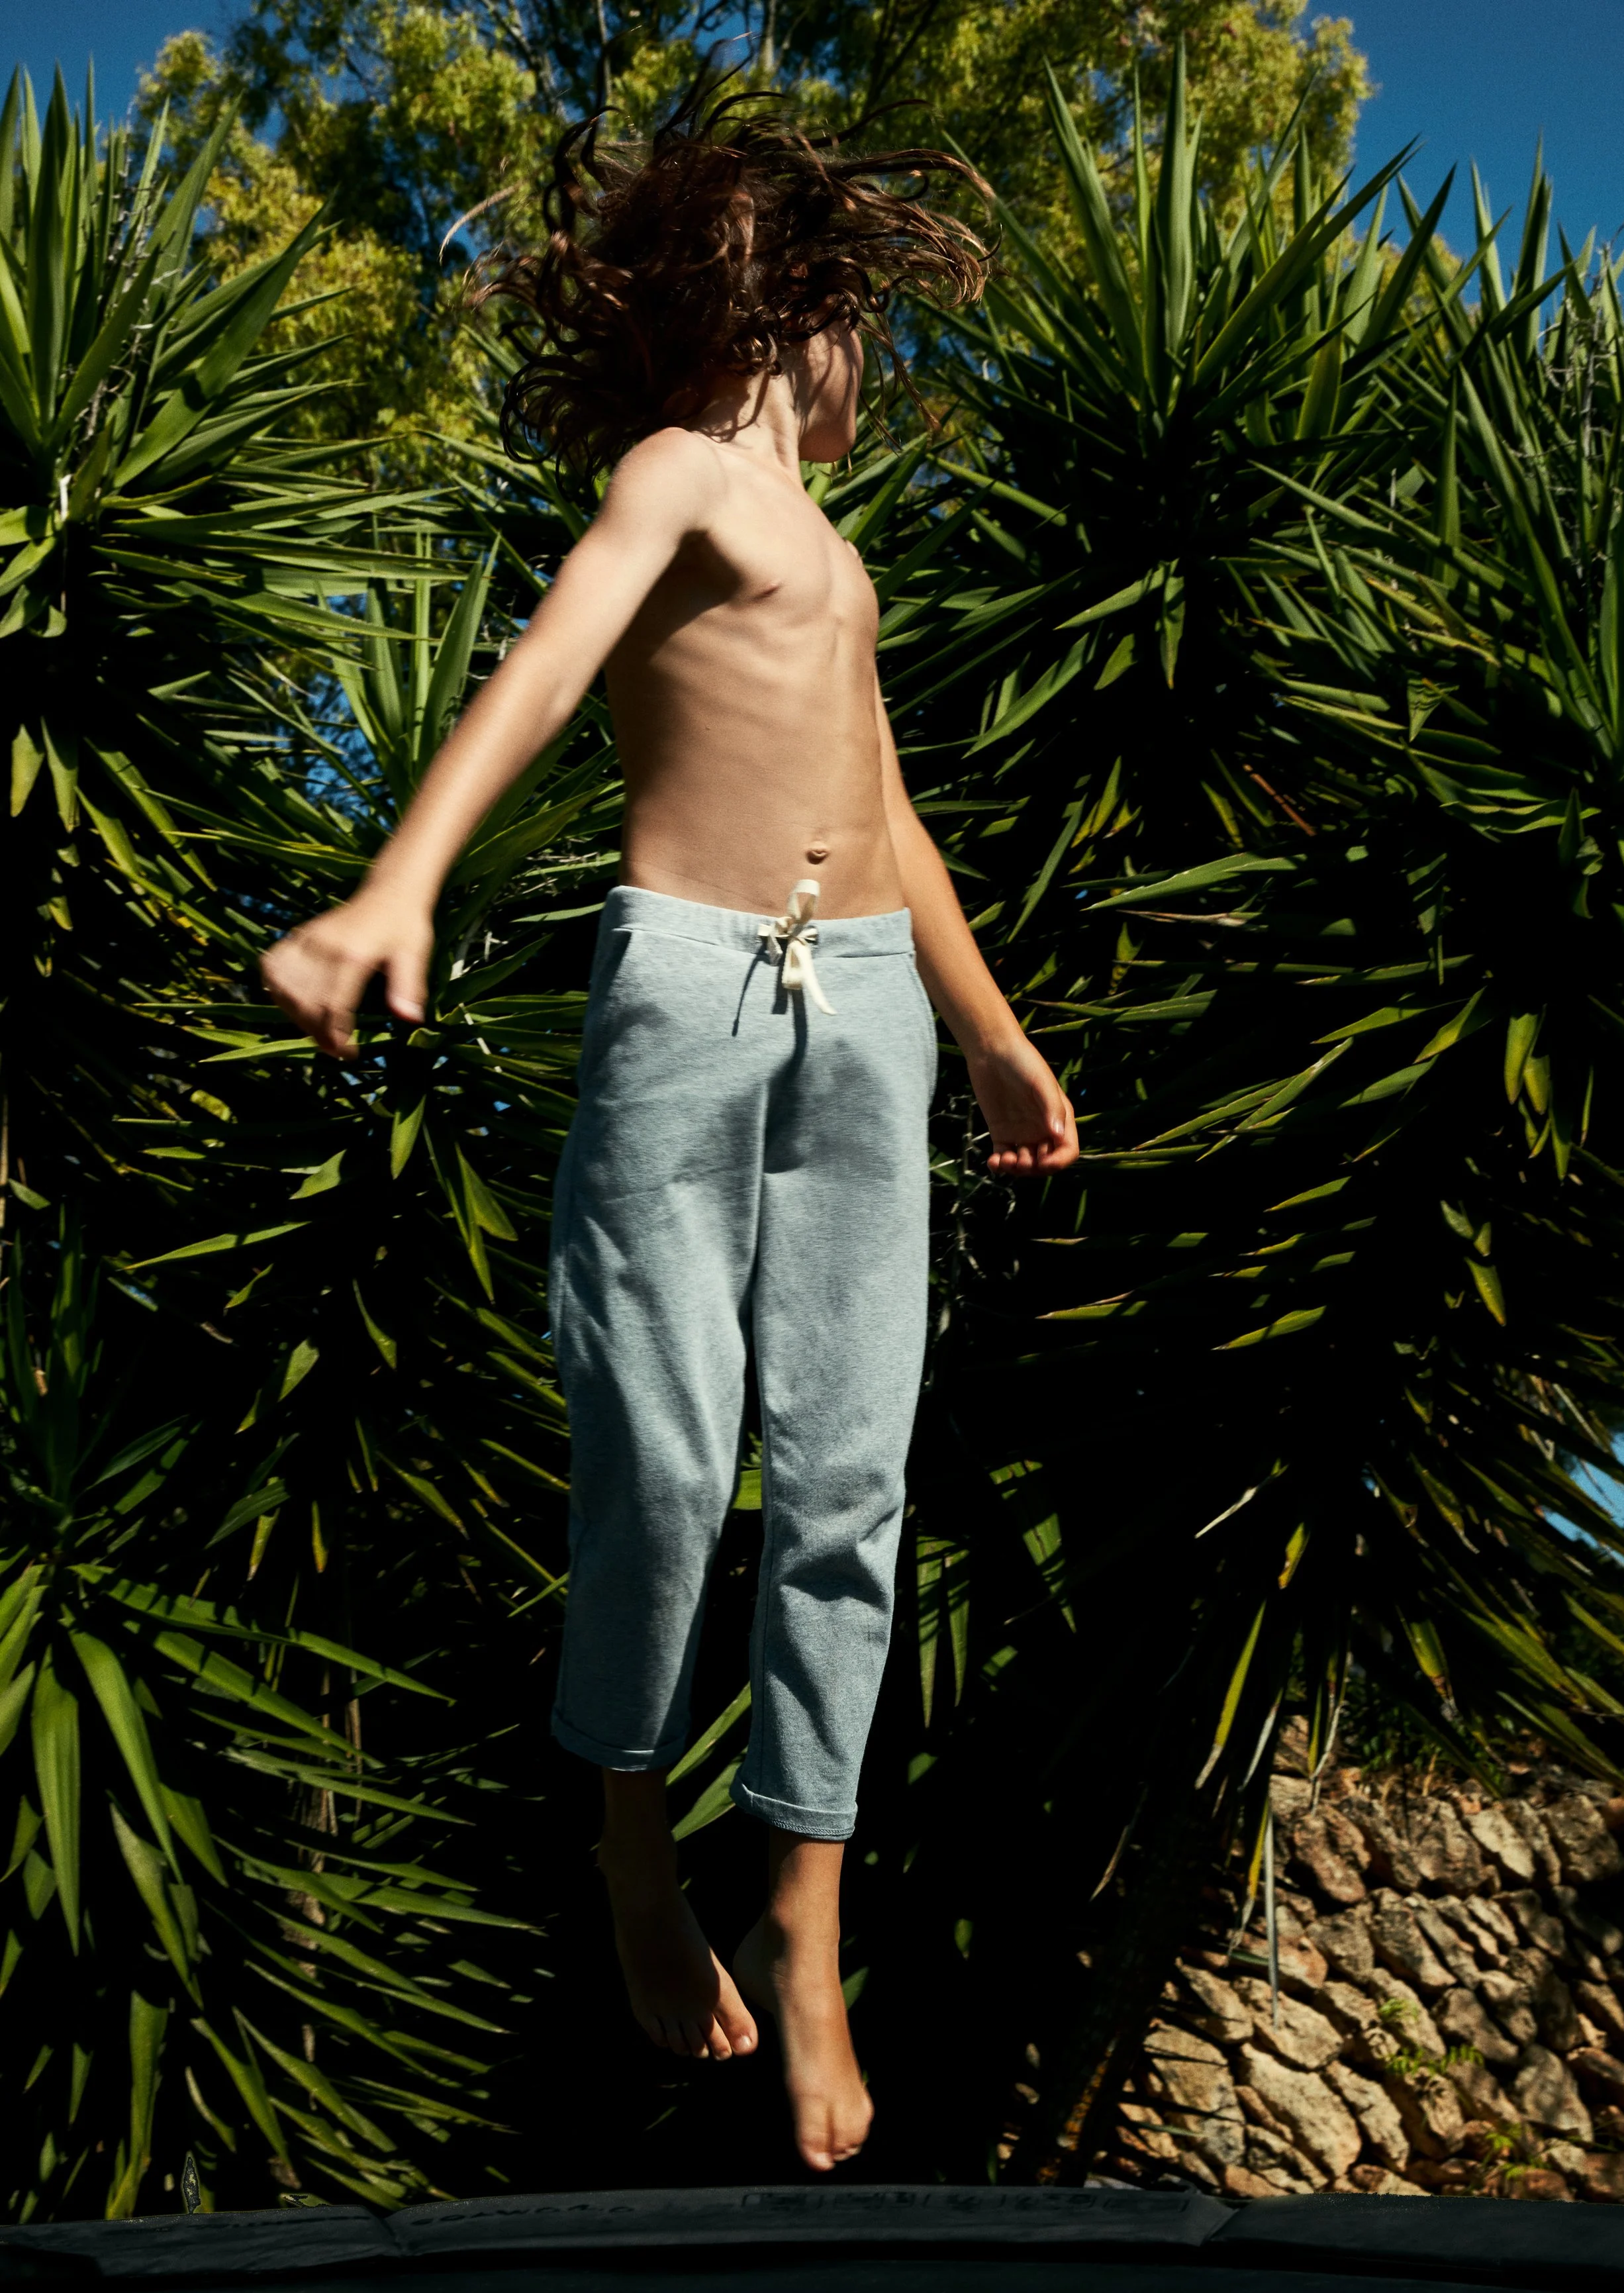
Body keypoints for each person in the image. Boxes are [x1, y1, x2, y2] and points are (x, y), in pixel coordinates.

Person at [262, 97, 1078, 2175]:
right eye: (855, 329)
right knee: (664, 1452)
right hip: (693, 990)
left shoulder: (839, 558)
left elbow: (888, 816)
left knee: (847, 1480)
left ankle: (804, 1906)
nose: (865, 374)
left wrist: (987, 1039)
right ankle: (631, 1839)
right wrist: (396, 883)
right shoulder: (678, 473)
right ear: (788, 315)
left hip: (865, 1008)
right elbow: (547, 663)